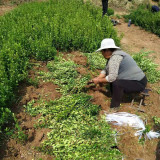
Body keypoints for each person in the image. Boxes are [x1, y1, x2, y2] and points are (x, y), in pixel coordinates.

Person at [92, 38, 147, 108]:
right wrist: (98, 78)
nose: (102, 53)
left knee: (116, 83)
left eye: (102, 51)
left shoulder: (115, 58)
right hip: (136, 80)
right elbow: (106, 69)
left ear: (107, 50)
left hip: (138, 83)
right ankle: (113, 95)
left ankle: (114, 107)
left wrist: (98, 80)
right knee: (113, 80)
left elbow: (111, 77)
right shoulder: (114, 55)